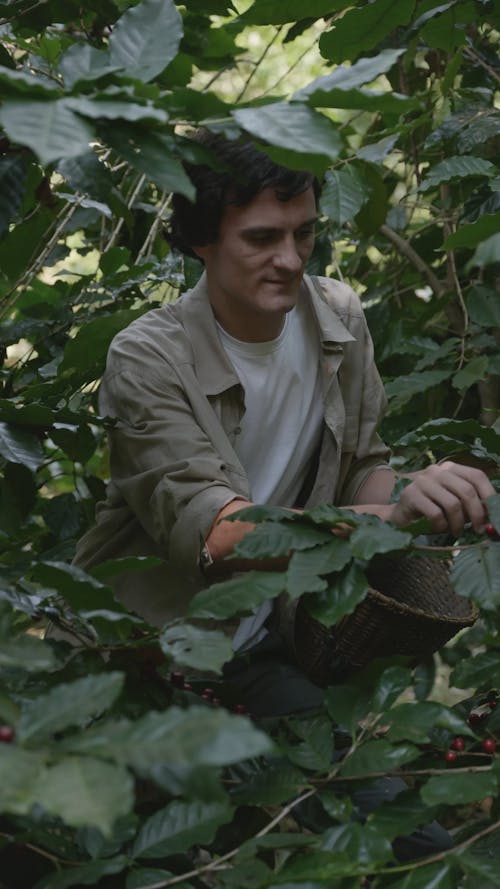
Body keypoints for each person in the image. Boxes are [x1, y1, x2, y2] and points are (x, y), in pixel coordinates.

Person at [71, 130, 494, 860]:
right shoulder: (148, 355)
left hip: (266, 644)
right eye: (262, 238)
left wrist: (431, 493)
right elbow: (217, 534)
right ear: (202, 239)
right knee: (135, 858)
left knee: (412, 842)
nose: (291, 260)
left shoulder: (336, 319)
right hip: (143, 658)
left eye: (304, 234)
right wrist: (384, 517)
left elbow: (363, 470)